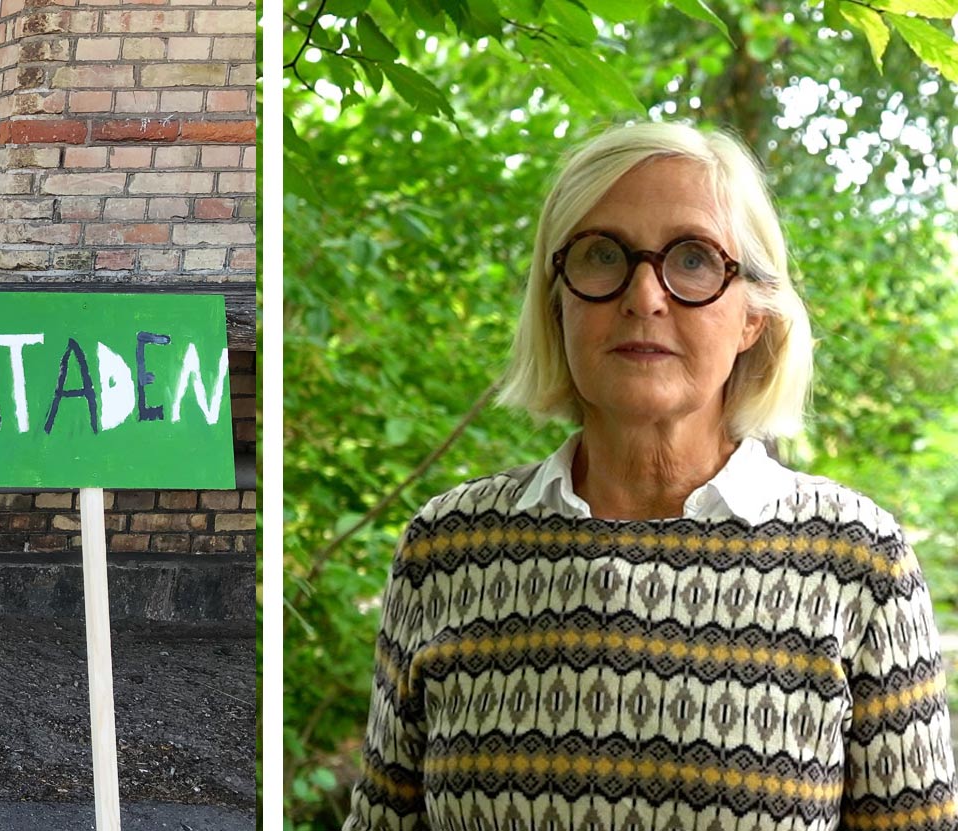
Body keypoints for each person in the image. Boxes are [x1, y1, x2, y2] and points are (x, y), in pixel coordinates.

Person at [343, 121, 958, 830]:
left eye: (693, 259)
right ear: (558, 297)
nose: (645, 296)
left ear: (754, 313)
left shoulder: (857, 563)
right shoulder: (447, 551)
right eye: (603, 254)